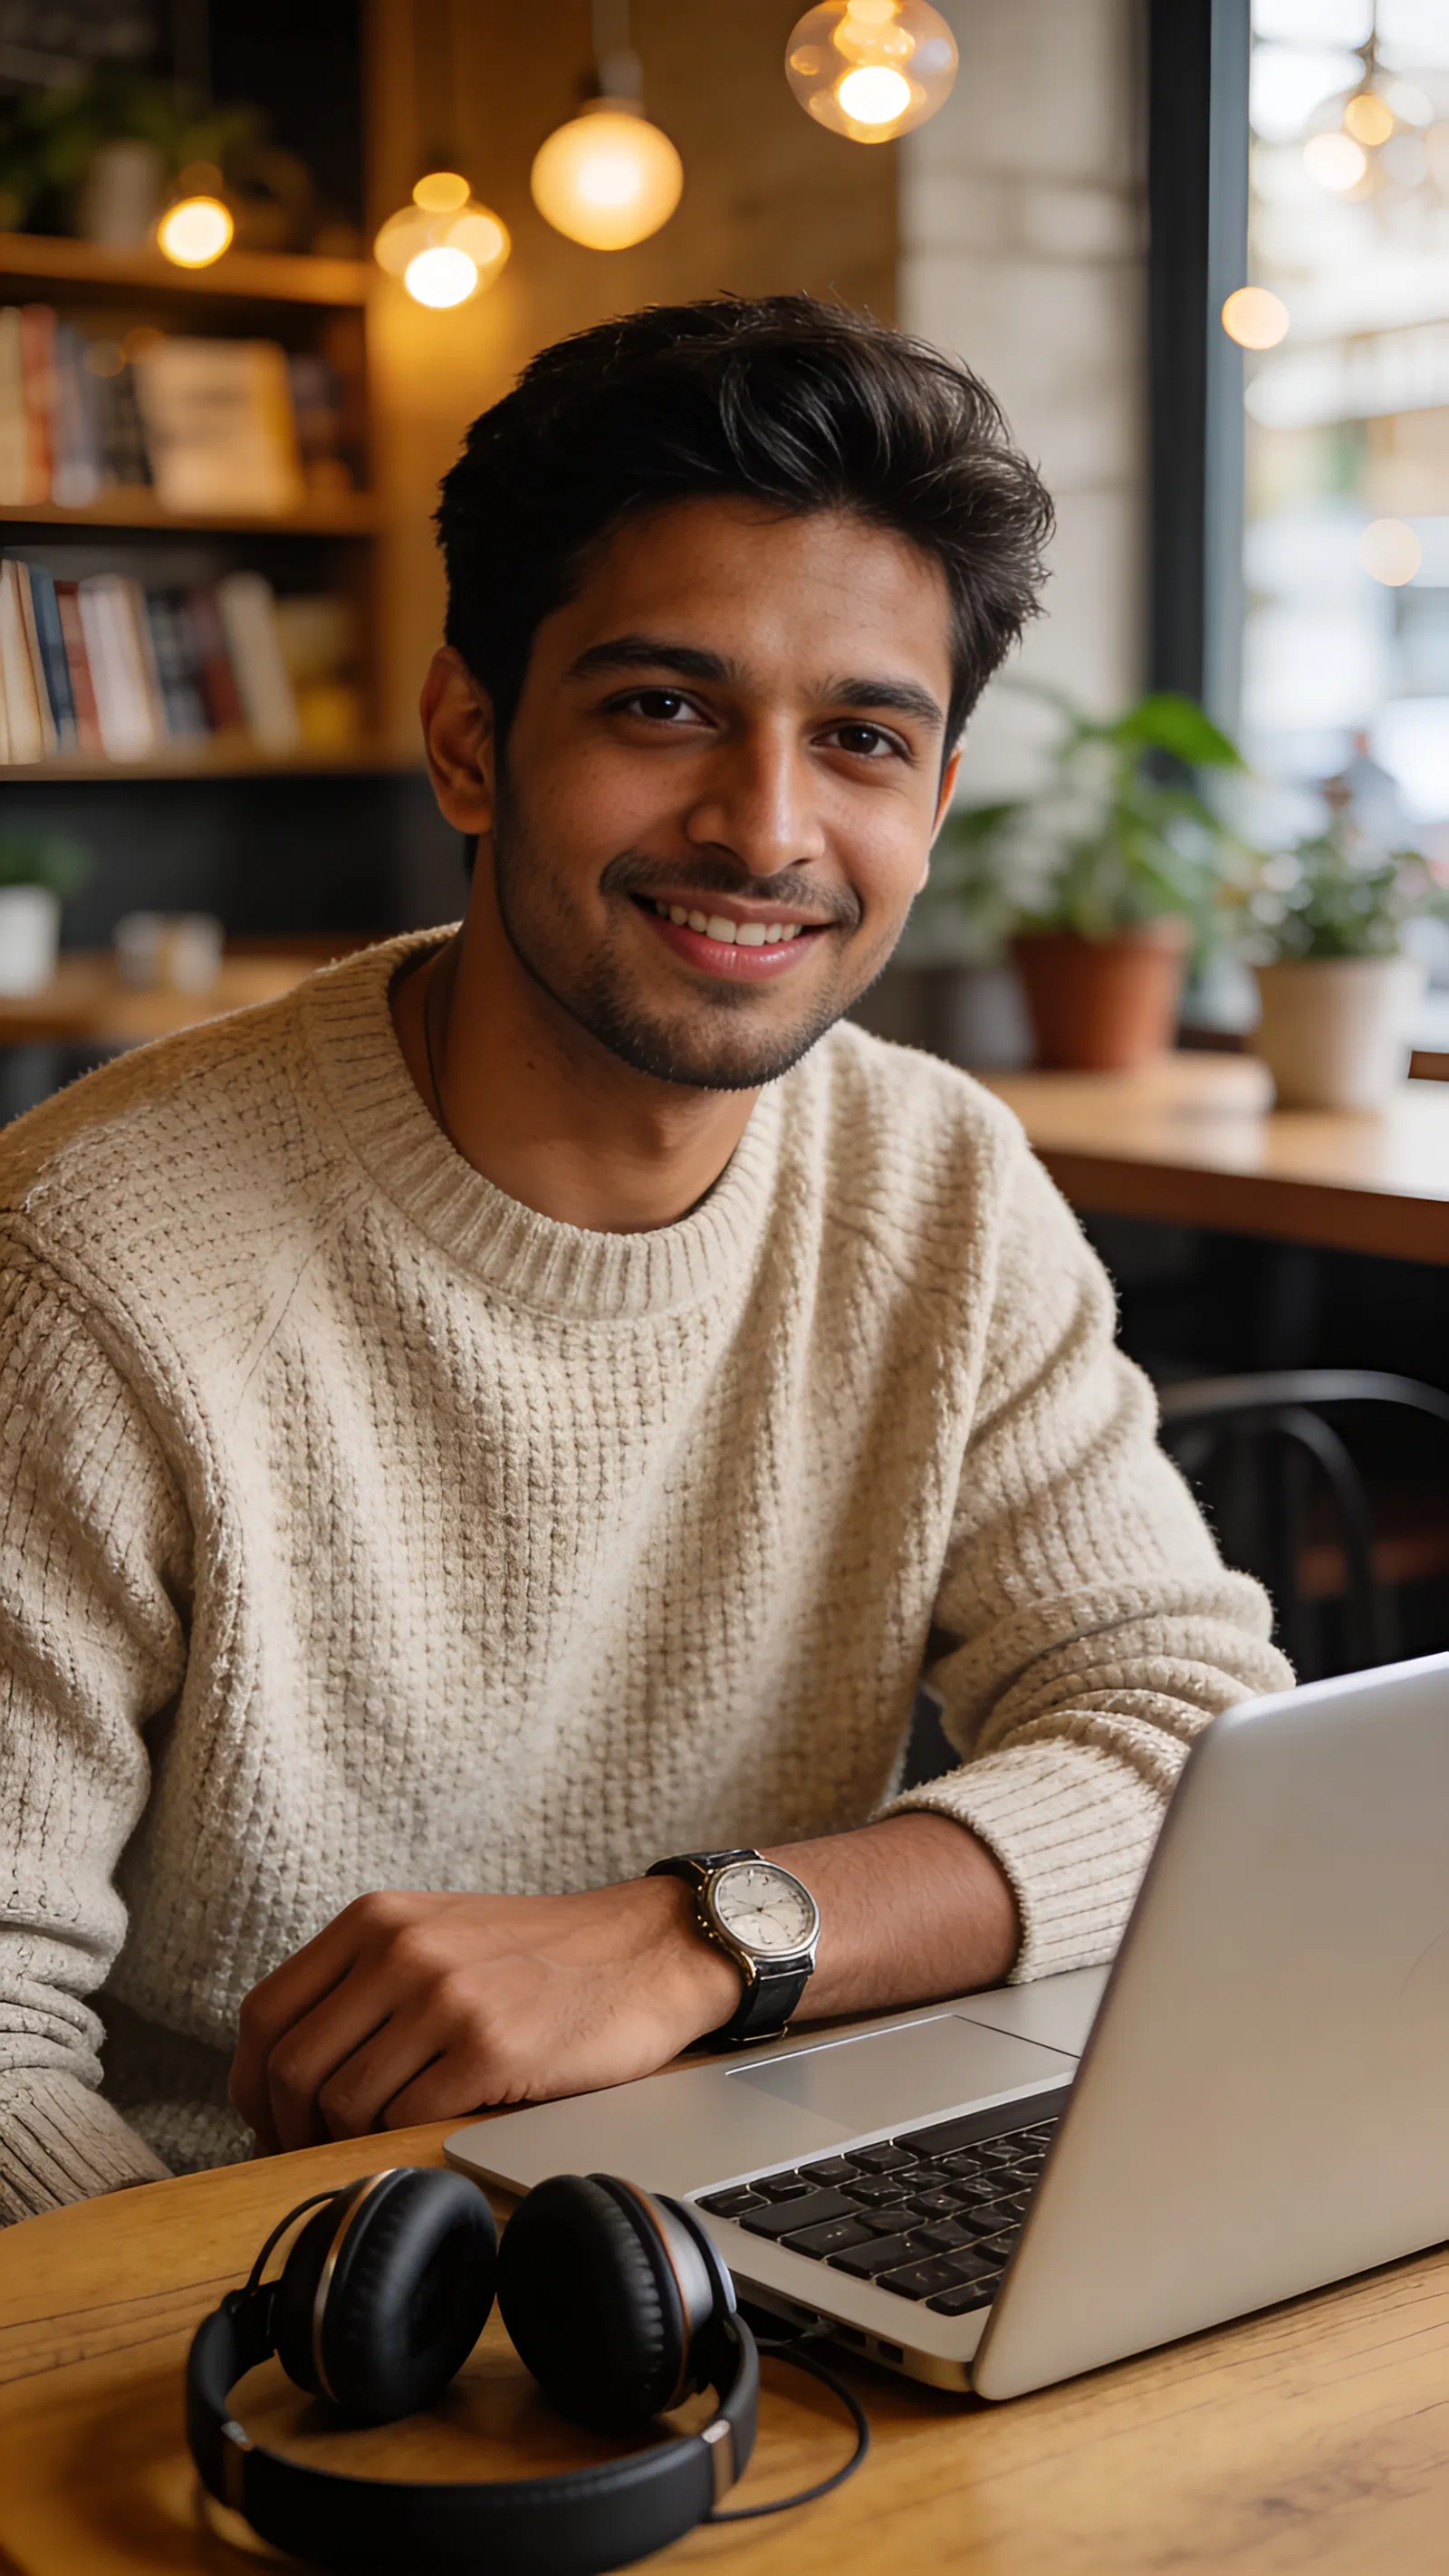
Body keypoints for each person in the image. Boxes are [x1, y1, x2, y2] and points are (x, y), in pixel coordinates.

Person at [0, 297, 1288, 2223]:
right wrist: (316, 2375)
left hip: (763, 2224)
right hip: (249, 2309)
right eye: (661, 706)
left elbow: (1182, 1734)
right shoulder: (89, 1262)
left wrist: (705, 1937)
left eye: (859, 739)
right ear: (466, 740)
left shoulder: (933, 1178)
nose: (764, 828)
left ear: (928, 808)